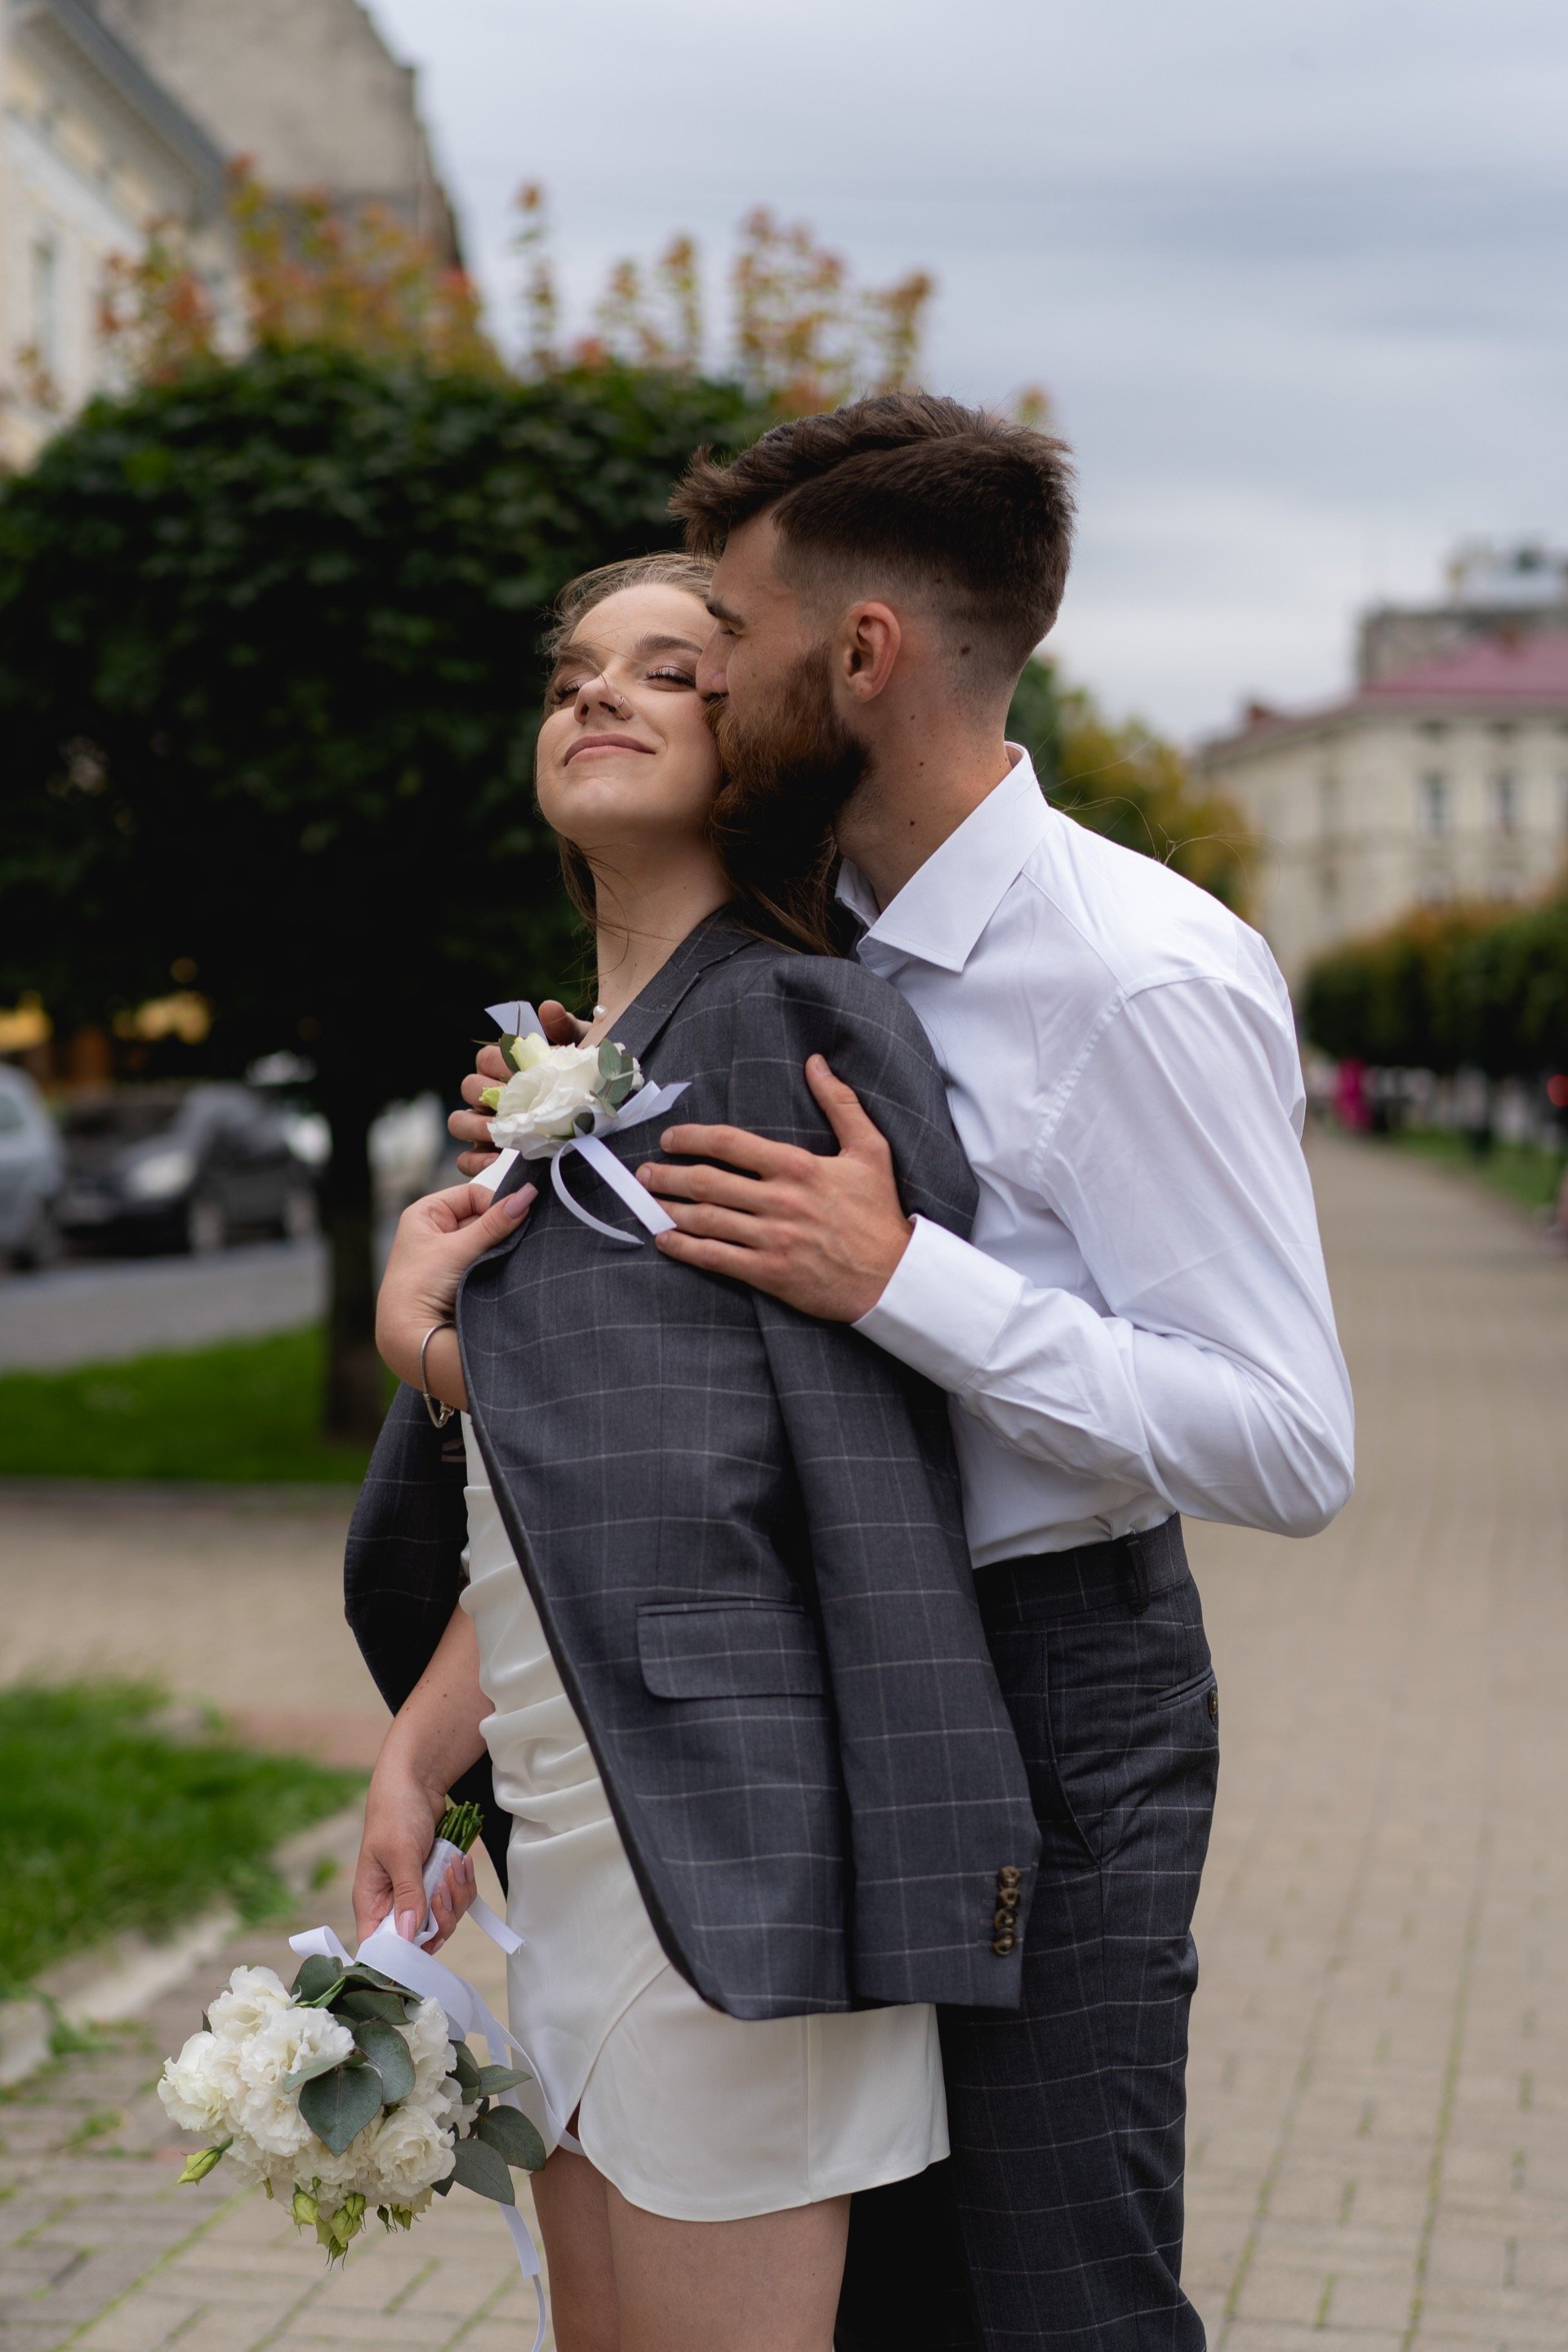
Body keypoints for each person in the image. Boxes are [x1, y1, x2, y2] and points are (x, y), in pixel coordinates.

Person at [451, 396, 1357, 2352]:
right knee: (866, 2294)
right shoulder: (790, 946)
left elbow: (1289, 1441)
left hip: (1050, 1678)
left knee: (1053, 2297)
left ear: (858, 659)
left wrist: (905, 1279)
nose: (702, 665)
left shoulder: (1140, 971)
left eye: (739, 637)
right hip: (808, 1682)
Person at [348, 551, 1039, 2352]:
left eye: (670, 671)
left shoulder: (786, 1022)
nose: (599, 694)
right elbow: (561, 1496)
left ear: (762, 746)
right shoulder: (577, 1068)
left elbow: (731, 1453)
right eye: (575, 669)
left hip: (735, 1835)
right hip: (575, 1827)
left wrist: (429, 1347)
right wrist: (424, 1750)